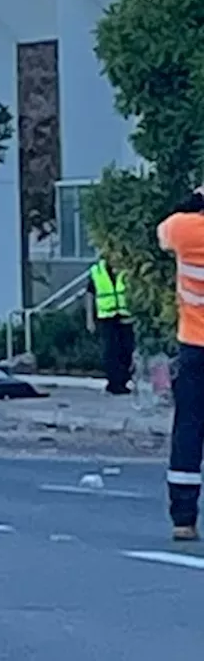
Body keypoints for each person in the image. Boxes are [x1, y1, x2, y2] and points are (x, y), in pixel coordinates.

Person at [159, 186, 204, 541]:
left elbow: (162, 232)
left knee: (188, 428)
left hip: (195, 346)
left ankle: (184, 518)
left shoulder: (184, 231)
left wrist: (192, 201)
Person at [85, 256, 135, 394]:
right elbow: (90, 295)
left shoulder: (125, 269)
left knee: (127, 349)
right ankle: (114, 383)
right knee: (111, 351)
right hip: (107, 318)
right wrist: (90, 319)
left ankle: (123, 380)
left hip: (125, 315)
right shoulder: (97, 271)